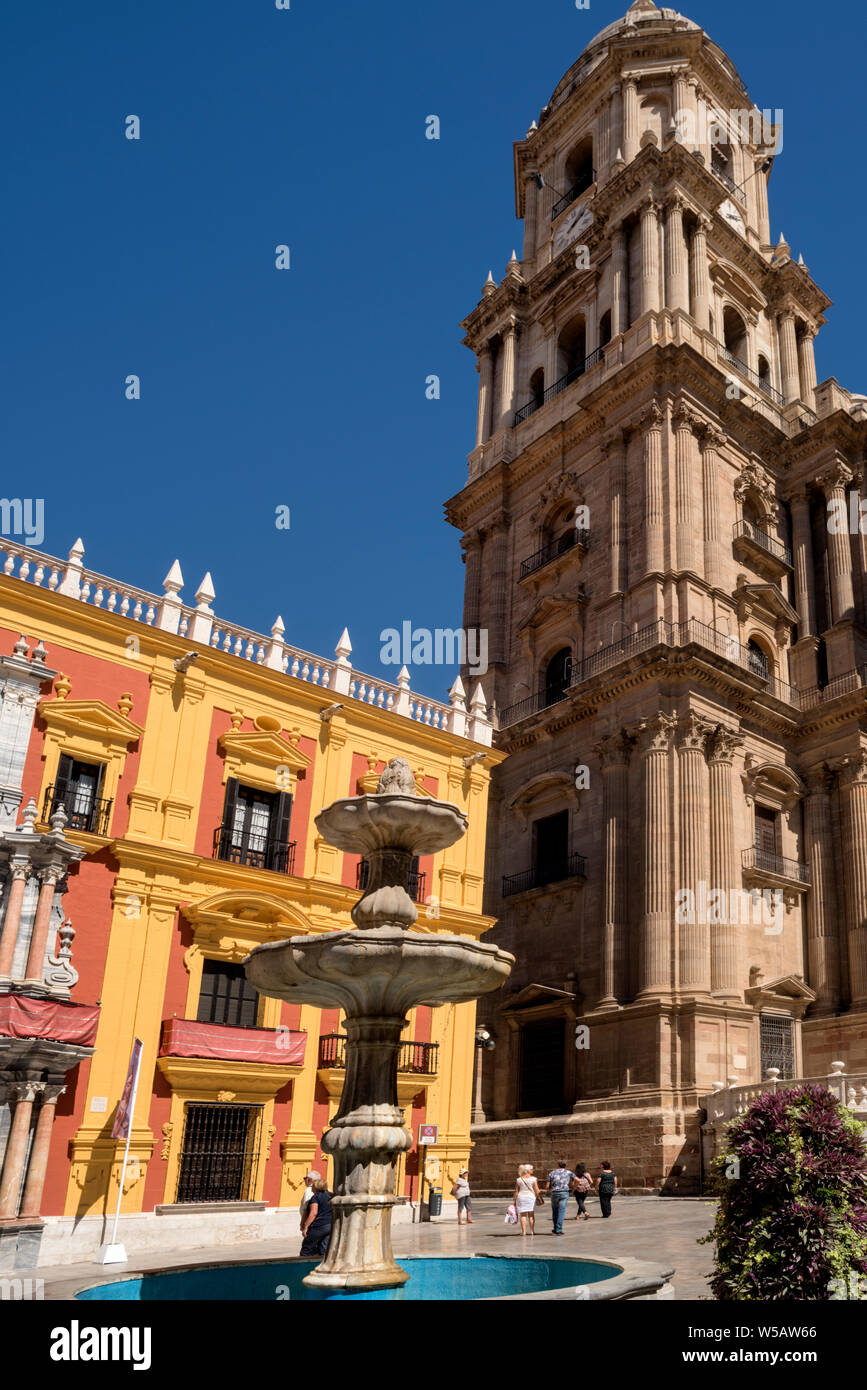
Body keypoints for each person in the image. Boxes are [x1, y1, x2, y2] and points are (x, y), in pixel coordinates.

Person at [300, 1178, 332, 1256]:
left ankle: (303, 1266)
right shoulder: (330, 1196)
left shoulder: (316, 1197)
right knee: (324, 1249)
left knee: (306, 1248)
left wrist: (306, 1226)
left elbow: (313, 1213)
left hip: (319, 1225)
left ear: (316, 1187)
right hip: (330, 1225)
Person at [546, 1159, 577, 1235]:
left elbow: (547, 1186)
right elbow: (578, 1180)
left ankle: (555, 1228)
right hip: (564, 1193)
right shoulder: (569, 1172)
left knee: (555, 1211)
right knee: (561, 1211)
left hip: (555, 1193)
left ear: (558, 1165)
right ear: (565, 1165)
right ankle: (559, 1230)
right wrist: (573, 1188)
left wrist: (550, 1190)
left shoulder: (552, 1173)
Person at [514, 1164, 542, 1236]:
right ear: (528, 1170)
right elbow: (536, 1189)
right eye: (531, 1169)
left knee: (522, 1215)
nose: (533, 1170)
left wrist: (514, 1200)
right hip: (530, 1198)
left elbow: (516, 1191)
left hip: (521, 1197)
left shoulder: (519, 1179)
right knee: (531, 1215)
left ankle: (523, 1232)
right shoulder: (533, 1179)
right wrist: (540, 1195)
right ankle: (532, 1231)